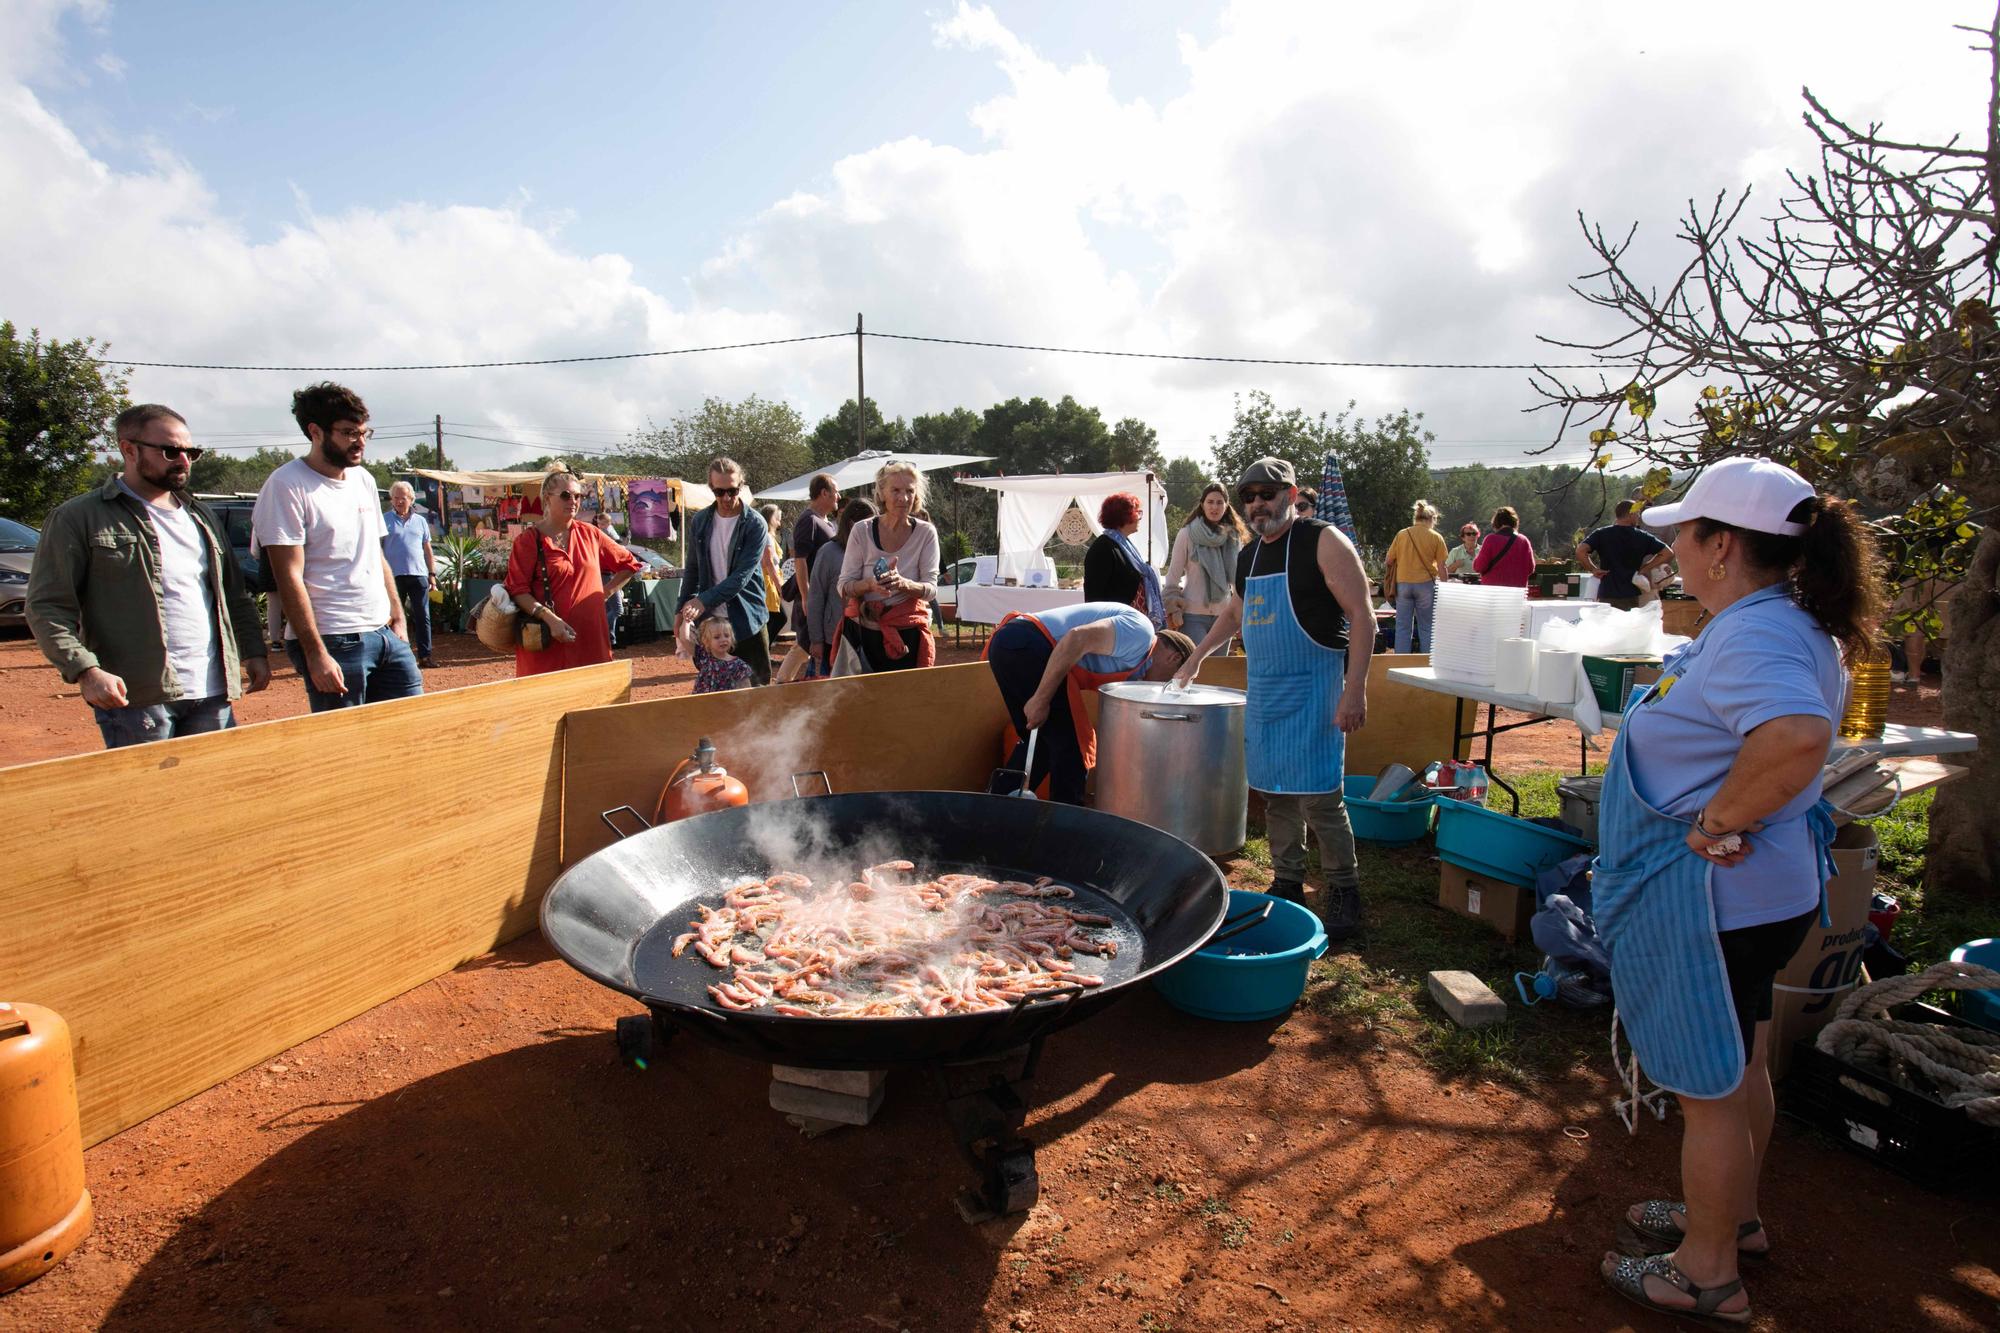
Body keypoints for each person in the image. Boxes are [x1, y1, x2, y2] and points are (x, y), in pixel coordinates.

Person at [1592, 458, 1882, 1326]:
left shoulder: (1758, 634)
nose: (1672, 547)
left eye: (1684, 532)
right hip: (1763, 891)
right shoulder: (1767, 620)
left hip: (1717, 897)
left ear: (1721, 546)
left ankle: (1707, 1271)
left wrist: (1714, 817)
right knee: (1743, 1058)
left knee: (1707, 1088)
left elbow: (1795, 737)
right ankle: (1735, 1216)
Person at [1172, 457, 1373, 939]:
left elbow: (1363, 616)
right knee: (1276, 794)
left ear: (1290, 492)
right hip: (1266, 691)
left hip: (1317, 688)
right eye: (1250, 496)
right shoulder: (1250, 555)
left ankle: (1344, 888)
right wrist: (1196, 657)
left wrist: (1355, 689)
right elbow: (1233, 615)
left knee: (1322, 797)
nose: (1258, 503)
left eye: (1268, 493)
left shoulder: (1323, 541)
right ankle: (1288, 881)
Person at [26, 403, 270, 747]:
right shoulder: (78, 517)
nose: (183, 460)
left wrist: (254, 651)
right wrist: (86, 670)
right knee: (148, 799)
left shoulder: (201, 516)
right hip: (136, 696)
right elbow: (46, 606)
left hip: (213, 689)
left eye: (191, 452)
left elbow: (233, 596)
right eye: (171, 451)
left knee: (210, 795)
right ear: (128, 449)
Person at [253, 382, 423, 711]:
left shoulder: (364, 480)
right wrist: (315, 653)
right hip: (333, 639)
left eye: (364, 432)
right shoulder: (286, 485)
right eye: (348, 432)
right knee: (347, 751)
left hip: (384, 633)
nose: (360, 442)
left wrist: (398, 618)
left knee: (408, 736)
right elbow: (288, 575)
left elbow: (376, 555)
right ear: (315, 431)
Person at [985, 602, 1194, 804]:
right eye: (1174, 683)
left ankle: (992, 807)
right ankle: (1066, 827)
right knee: (1075, 748)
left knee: (1039, 741)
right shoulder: (1141, 634)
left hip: (1009, 646)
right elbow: (1076, 638)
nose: (1163, 689)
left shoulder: (1135, 672)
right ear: (1174, 658)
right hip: (1028, 643)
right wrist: (1041, 698)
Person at [503, 468, 643, 678]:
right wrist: (550, 619)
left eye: (578, 496)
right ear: (547, 499)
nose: (573, 501)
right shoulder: (528, 541)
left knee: (593, 703)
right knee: (545, 704)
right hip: (547, 641)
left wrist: (603, 594)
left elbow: (629, 564)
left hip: (590, 638)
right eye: (566, 495)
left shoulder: (590, 534)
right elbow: (517, 590)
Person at [837, 460, 940, 671]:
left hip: (908, 634)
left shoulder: (926, 533)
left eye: (909, 491)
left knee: (904, 700)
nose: (903, 498)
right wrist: (869, 585)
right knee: (861, 701)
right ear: (882, 493)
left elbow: (931, 589)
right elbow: (844, 586)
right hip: (862, 634)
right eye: (895, 490)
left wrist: (904, 584)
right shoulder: (861, 531)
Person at [678, 458, 773, 684]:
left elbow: (740, 577)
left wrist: (702, 600)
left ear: (741, 486)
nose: (727, 498)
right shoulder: (701, 520)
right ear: (711, 489)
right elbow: (692, 569)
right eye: (720, 492)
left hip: (747, 619)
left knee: (757, 689)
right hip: (711, 625)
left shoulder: (755, 524)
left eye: (732, 490)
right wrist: (677, 611)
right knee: (715, 687)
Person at [1163, 483, 1246, 644]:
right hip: (1192, 615)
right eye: (1210, 502)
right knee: (1198, 668)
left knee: (1218, 669)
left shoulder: (1233, 537)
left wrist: (1241, 614)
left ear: (1226, 506)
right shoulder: (1186, 534)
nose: (1214, 507)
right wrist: (1173, 608)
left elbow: (1239, 582)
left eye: (1219, 502)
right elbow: (1172, 578)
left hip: (1224, 616)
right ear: (1202, 504)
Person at [779, 474, 840, 683]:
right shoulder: (808, 521)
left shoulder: (826, 522)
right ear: (824, 493)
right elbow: (800, 560)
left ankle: (784, 682)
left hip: (823, 595)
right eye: (835, 492)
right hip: (811, 595)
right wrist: (806, 596)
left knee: (808, 643)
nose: (838, 496)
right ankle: (781, 683)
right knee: (806, 642)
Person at [809, 498, 876, 676]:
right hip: (837, 637)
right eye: (870, 523)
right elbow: (816, 596)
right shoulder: (828, 552)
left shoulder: (876, 551)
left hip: (872, 633)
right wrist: (816, 640)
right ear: (852, 523)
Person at [1082, 492, 1165, 626]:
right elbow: (1094, 595)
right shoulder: (1103, 547)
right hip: (1115, 624)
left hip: (1130, 622)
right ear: (1125, 516)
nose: (1139, 517)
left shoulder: (1125, 545)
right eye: (1137, 512)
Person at [1580, 499, 1676, 609]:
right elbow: (1668, 553)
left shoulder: (1601, 533)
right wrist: (1645, 568)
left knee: (1607, 624)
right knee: (1628, 624)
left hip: (1607, 593)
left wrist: (1593, 569)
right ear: (1631, 514)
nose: (1639, 517)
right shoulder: (1642, 536)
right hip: (1630, 593)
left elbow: (1580, 551)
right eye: (1637, 513)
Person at [1381, 499, 1449, 653]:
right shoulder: (1436, 537)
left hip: (1403, 584)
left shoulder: (1402, 534)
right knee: (1426, 626)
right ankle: (1425, 661)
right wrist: (1445, 587)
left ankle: (1401, 660)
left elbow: (1389, 560)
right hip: (1425, 585)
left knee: (1403, 626)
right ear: (1432, 519)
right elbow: (1441, 566)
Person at [383, 481, 436, 668]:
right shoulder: (384, 519)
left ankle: (425, 656)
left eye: (402, 498)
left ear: (411, 499)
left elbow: (427, 550)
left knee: (423, 616)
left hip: (418, 575)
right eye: (395, 498)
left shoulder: (421, 521)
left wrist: (432, 574)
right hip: (393, 577)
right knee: (391, 617)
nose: (398, 501)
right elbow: (377, 549)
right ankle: (394, 659)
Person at [689, 614, 755, 693]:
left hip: (726, 704)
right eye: (717, 637)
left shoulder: (739, 665)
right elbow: (685, 639)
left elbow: (746, 690)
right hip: (703, 703)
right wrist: (686, 620)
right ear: (706, 641)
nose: (723, 639)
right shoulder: (704, 656)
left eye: (726, 636)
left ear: (732, 638)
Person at [1473, 506, 1536, 588]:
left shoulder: (1491, 539)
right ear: (1514, 522)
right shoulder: (1524, 540)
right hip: (1517, 593)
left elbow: (1479, 566)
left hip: (1494, 592)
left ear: (1496, 523)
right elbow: (1530, 568)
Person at [591, 510, 627, 646]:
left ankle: (608, 638)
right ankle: (606, 635)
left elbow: (618, 546)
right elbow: (616, 546)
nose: (602, 525)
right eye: (600, 523)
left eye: (604, 523)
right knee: (618, 609)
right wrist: (620, 542)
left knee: (607, 608)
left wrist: (622, 540)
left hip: (607, 573)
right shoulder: (600, 534)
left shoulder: (606, 532)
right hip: (606, 574)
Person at [758, 502, 788, 647]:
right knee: (778, 618)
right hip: (768, 583)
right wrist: (779, 586)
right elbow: (768, 563)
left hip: (769, 581)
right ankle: (763, 650)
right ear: (770, 518)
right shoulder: (767, 537)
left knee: (773, 618)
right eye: (778, 518)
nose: (779, 522)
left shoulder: (768, 536)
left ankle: (764, 650)